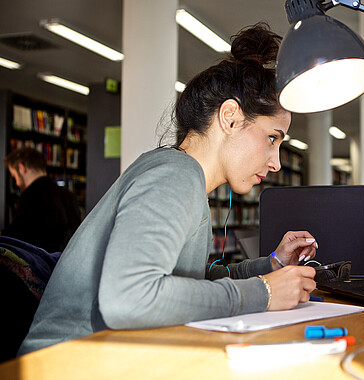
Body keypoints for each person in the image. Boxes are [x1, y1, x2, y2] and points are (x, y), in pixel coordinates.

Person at [18, 22, 318, 355]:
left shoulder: (180, 175)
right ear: (230, 118)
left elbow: (187, 282)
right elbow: (127, 299)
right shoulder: (174, 177)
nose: (275, 163)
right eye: (271, 138)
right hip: (67, 363)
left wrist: (270, 266)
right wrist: (263, 293)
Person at [3, 147, 82, 253]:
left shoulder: (30, 196)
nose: (16, 183)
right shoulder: (68, 195)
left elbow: (16, 237)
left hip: (41, 263)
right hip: (67, 262)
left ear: (22, 169)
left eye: (14, 176)